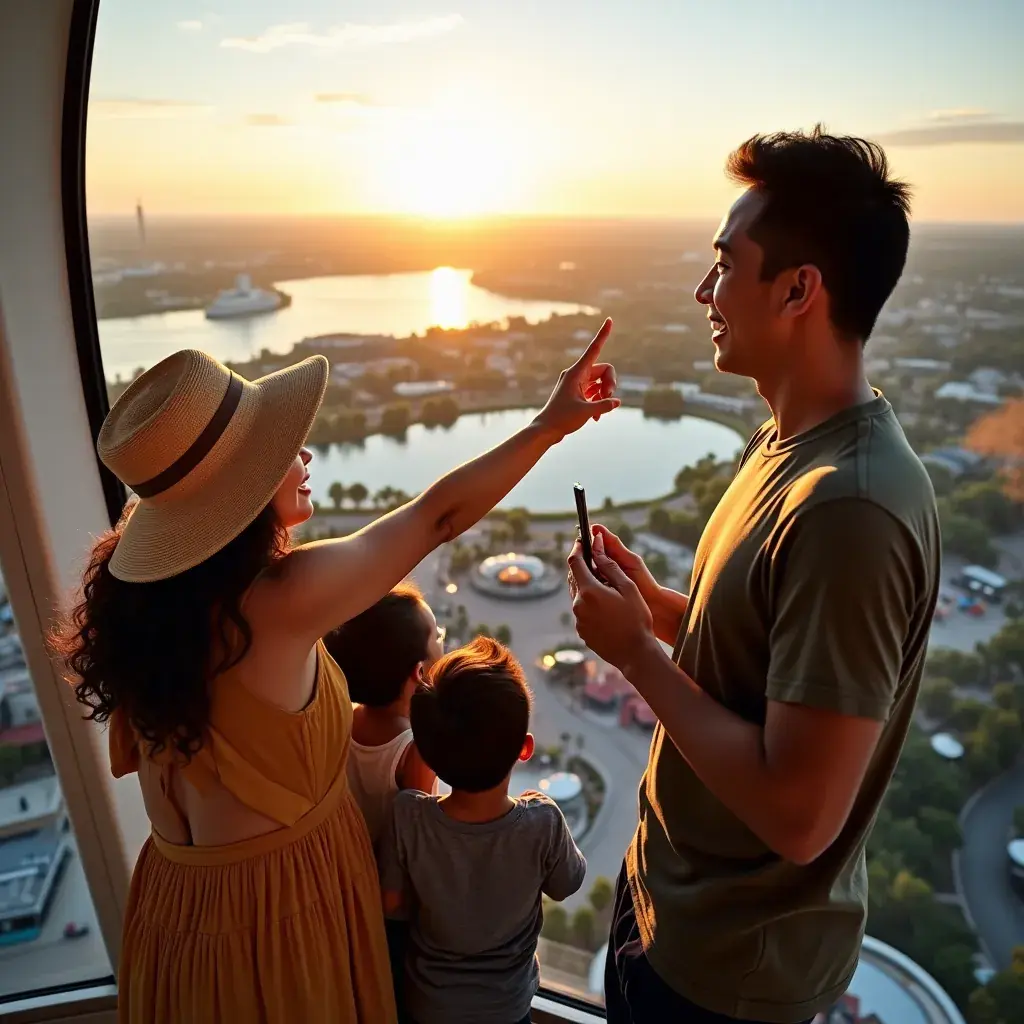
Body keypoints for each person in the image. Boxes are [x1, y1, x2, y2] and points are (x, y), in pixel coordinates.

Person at [52, 320, 616, 1024]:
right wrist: (548, 426)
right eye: (283, 448)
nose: (308, 453)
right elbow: (438, 517)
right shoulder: (279, 605)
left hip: (174, 913)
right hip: (282, 917)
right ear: (242, 489)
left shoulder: (149, 615)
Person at [568, 128, 940, 1024]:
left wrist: (636, 659)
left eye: (725, 264)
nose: (705, 291)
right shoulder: (784, 446)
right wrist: (661, 614)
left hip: (725, 981)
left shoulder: (849, 508)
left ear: (799, 289)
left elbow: (798, 811)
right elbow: (765, 660)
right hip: (674, 913)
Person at [379, 637, 586, 1024]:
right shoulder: (543, 822)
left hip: (425, 1006)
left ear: (428, 753)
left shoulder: (407, 816)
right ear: (524, 750)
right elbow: (567, 883)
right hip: (508, 1010)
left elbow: (392, 905)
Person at [325, 582, 442, 847]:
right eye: (438, 636)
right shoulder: (415, 749)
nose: (442, 641)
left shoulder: (345, 719)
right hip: (387, 876)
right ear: (419, 672)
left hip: (348, 856)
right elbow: (420, 832)